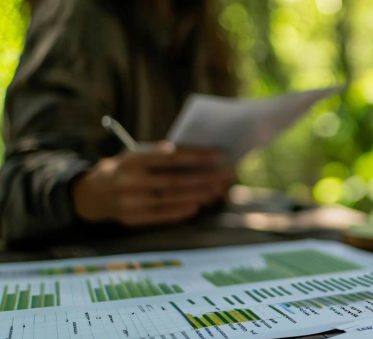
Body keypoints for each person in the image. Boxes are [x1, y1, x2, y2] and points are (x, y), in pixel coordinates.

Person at [0, 0, 237, 247]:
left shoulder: (196, 28)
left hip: (181, 250)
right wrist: (87, 193)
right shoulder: (78, 14)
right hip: (88, 262)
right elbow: (14, 189)